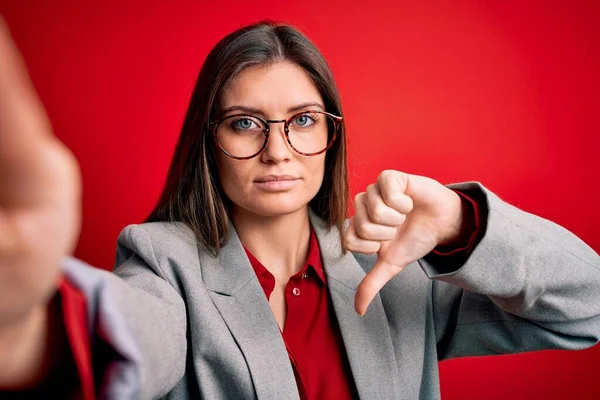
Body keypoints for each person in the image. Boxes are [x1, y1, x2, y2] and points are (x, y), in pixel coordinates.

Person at [1, 17, 599, 400]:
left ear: (331, 135)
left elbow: (587, 308)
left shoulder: (387, 267)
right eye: (244, 124)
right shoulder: (165, 264)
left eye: (303, 121)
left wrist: (460, 222)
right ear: (208, 140)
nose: (278, 151)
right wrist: (27, 330)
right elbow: (131, 340)